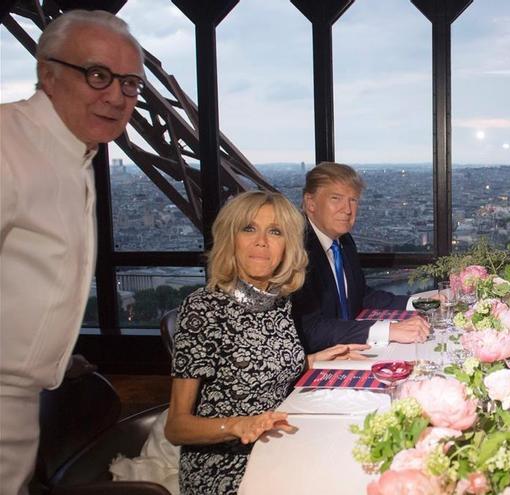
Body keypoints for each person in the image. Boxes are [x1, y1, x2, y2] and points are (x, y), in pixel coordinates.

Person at [0, 10, 145, 493]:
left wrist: (57, 356)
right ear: (47, 72)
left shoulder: (70, 151)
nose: (116, 97)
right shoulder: (6, 146)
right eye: (99, 75)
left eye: (130, 84)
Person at [165, 191, 368, 494]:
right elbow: (176, 427)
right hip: (228, 467)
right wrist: (238, 425)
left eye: (274, 232)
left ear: (288, 246)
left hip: (279, 442)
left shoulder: (279, 301)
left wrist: (316, 359)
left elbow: (265, 365)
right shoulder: (202, 309)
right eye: (249, 229)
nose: (261, 241)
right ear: (230, 239)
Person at [292, 162, 429, 353]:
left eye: (353, 200)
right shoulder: (296, 251)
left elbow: (361, 296)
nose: (347, 209)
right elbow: (311, 331)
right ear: (310, 203)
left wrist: (419, 303)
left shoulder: (344, 242)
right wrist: (389, 330)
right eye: (336, 198)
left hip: (348, 346)